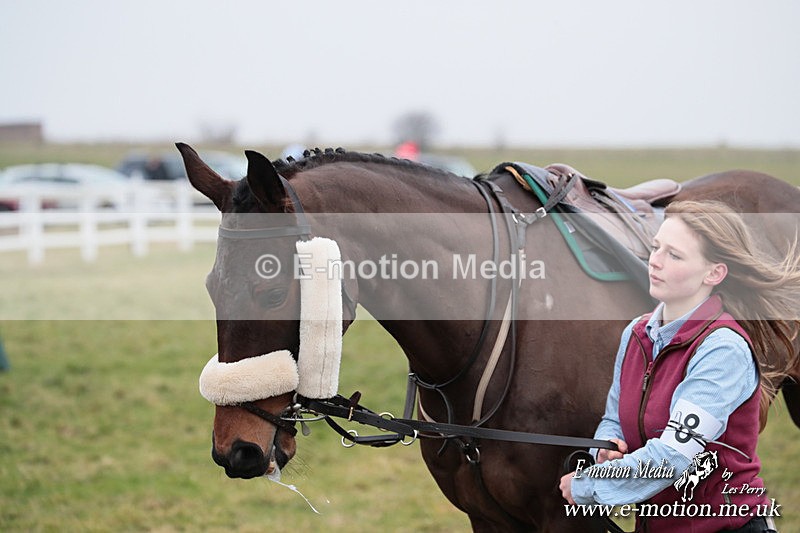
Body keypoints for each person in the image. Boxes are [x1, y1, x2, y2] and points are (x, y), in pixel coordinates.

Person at [559, 200, 799, 533]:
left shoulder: (723, 349)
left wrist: (590, 486)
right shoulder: (636, 333)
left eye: (674, 255)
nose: (655, 261)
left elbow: (673, 456)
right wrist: (605, 450)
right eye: (656, 247)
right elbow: (613, 420)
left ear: (714, 273)